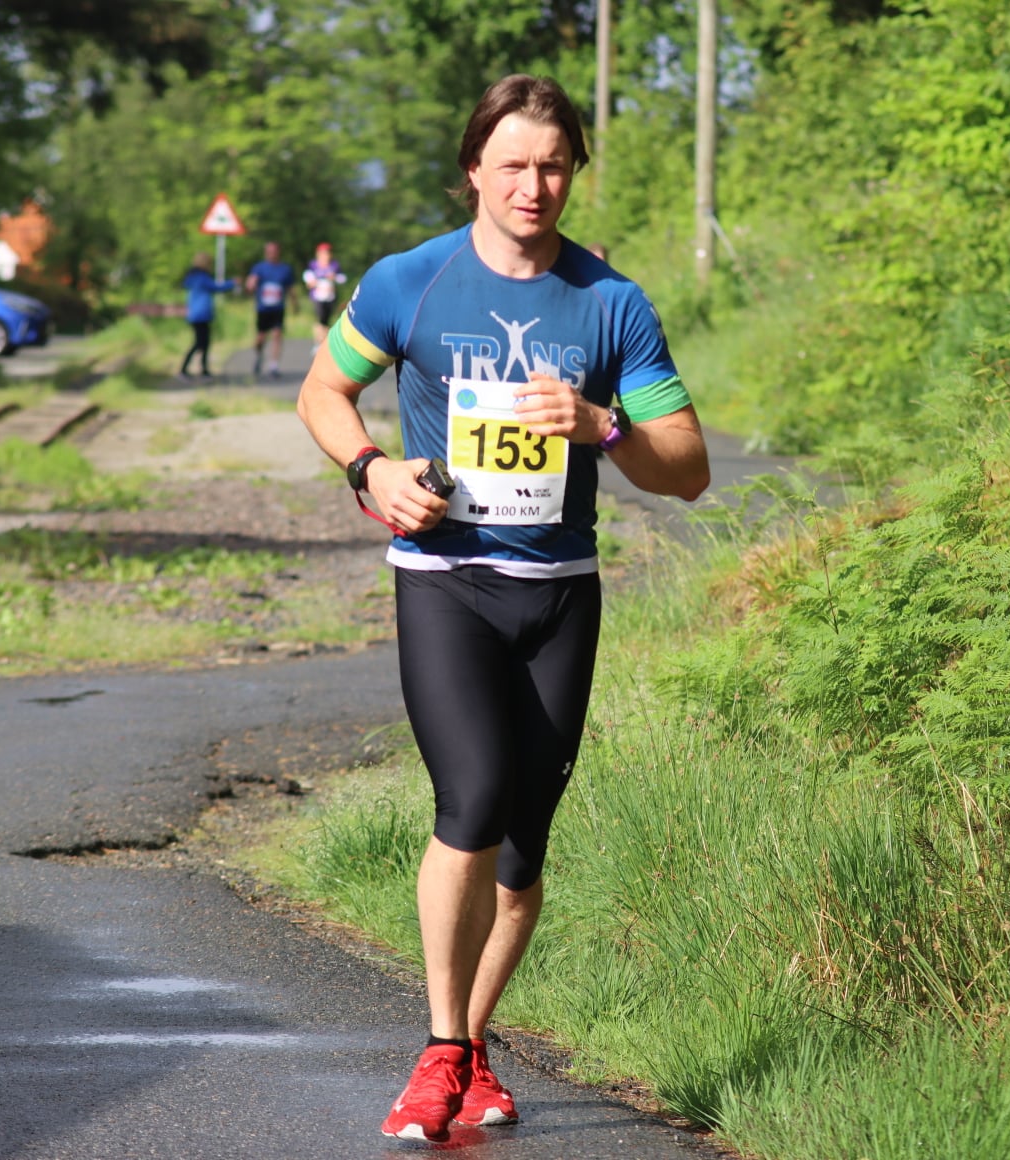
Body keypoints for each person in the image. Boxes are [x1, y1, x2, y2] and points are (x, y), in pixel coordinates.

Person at [296, 73, 709, 1142]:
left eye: (554, 165)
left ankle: (471, 1045)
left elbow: (689, 468)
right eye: (515, 164)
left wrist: (604, 426)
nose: (535, 185)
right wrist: (371, 470)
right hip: (447, 583)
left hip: (560, 596)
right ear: (474, 168)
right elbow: (322, 390)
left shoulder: (611, 303)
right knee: (472, 800)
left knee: (523, 850)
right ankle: (440, 1051)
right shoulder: (411, 281)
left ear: (574, 173)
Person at [244, 240, 297, 377]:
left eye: (274, 251)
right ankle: (259, 355)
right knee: (260, 338)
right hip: (263, 308)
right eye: (269, 252)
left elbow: (290, 288)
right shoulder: (259, 268)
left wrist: (295, 303)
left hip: (278, 308)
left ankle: (274, 365)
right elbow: (251, 281)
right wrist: (250, 285)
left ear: (278, 252)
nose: (272, 254)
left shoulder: (285, 269)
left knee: (277, 334)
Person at [179, 253, 236, 377]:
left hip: (195, 314)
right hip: (201, 314)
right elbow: (216, 287)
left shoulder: (192, 277)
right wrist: (232, 283)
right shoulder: (202, 277)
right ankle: (184, 370)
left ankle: (203, 369)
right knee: (200, 343)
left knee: (203, 342)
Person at [302, 241, 347, 345]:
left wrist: (334, 277)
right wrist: (313, 282)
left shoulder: (334, 265)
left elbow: (343, 278)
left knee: (327, 321)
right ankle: (318, 343)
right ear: (318, 254)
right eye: (324, 253)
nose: (326, 255)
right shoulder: (313, 265)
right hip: (318, 297)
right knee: (320, 320)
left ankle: (324, 343)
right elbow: (307, 278)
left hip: (330, 297)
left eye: (328, 253)